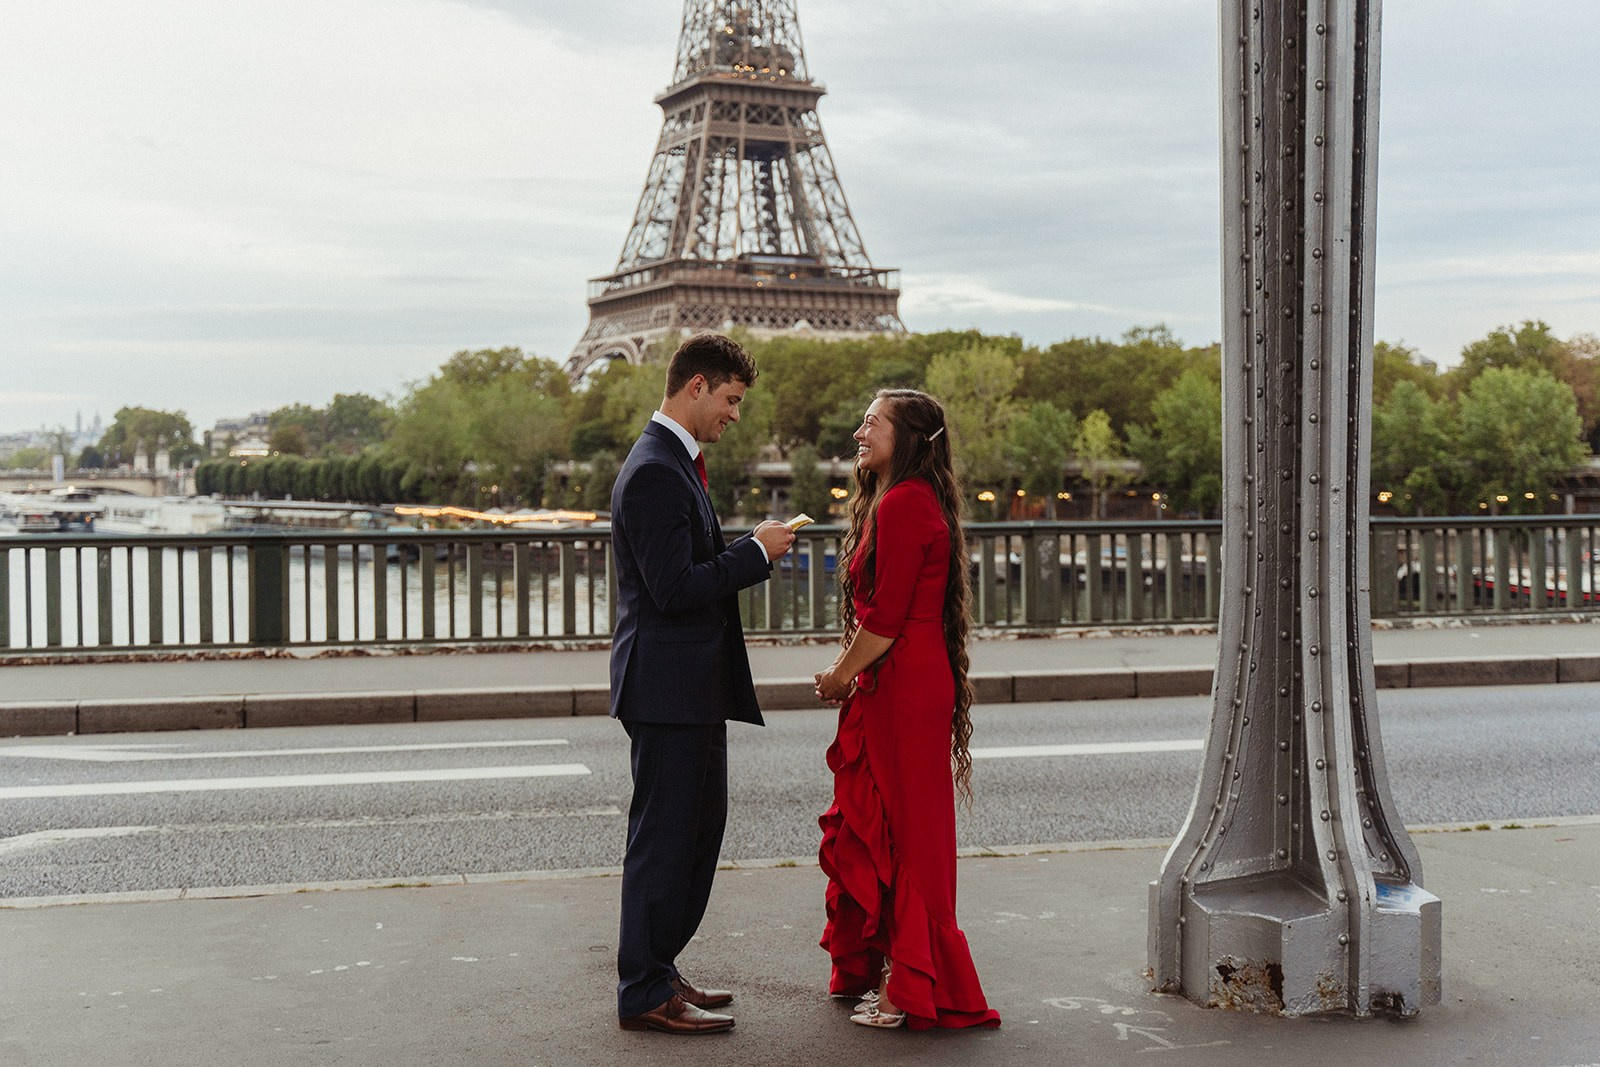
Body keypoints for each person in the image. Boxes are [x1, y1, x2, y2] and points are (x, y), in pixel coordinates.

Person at [609, 333, 797, 1035]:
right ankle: (642, 989)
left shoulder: (671, 462)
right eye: (731, 399)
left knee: (692, 833)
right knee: (666, 839)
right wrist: (752, 555)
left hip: (683, 685)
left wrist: (743, 546)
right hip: (666, 688)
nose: (735, 414)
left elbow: (686, 562)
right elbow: (673, 587)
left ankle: (658, 968)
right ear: (695, 387)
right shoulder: (658, 469)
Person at [813, 389, 1002, 1032]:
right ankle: (899, 971)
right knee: (895, 824)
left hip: (900, 683)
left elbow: (886, 621)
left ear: (909, 438)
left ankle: (912, 988)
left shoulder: (900, 506)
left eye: (873, 423)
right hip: (900, 680)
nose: (860, 431)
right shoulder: (907, 500)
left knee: (909, 834)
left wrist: (840, 675)